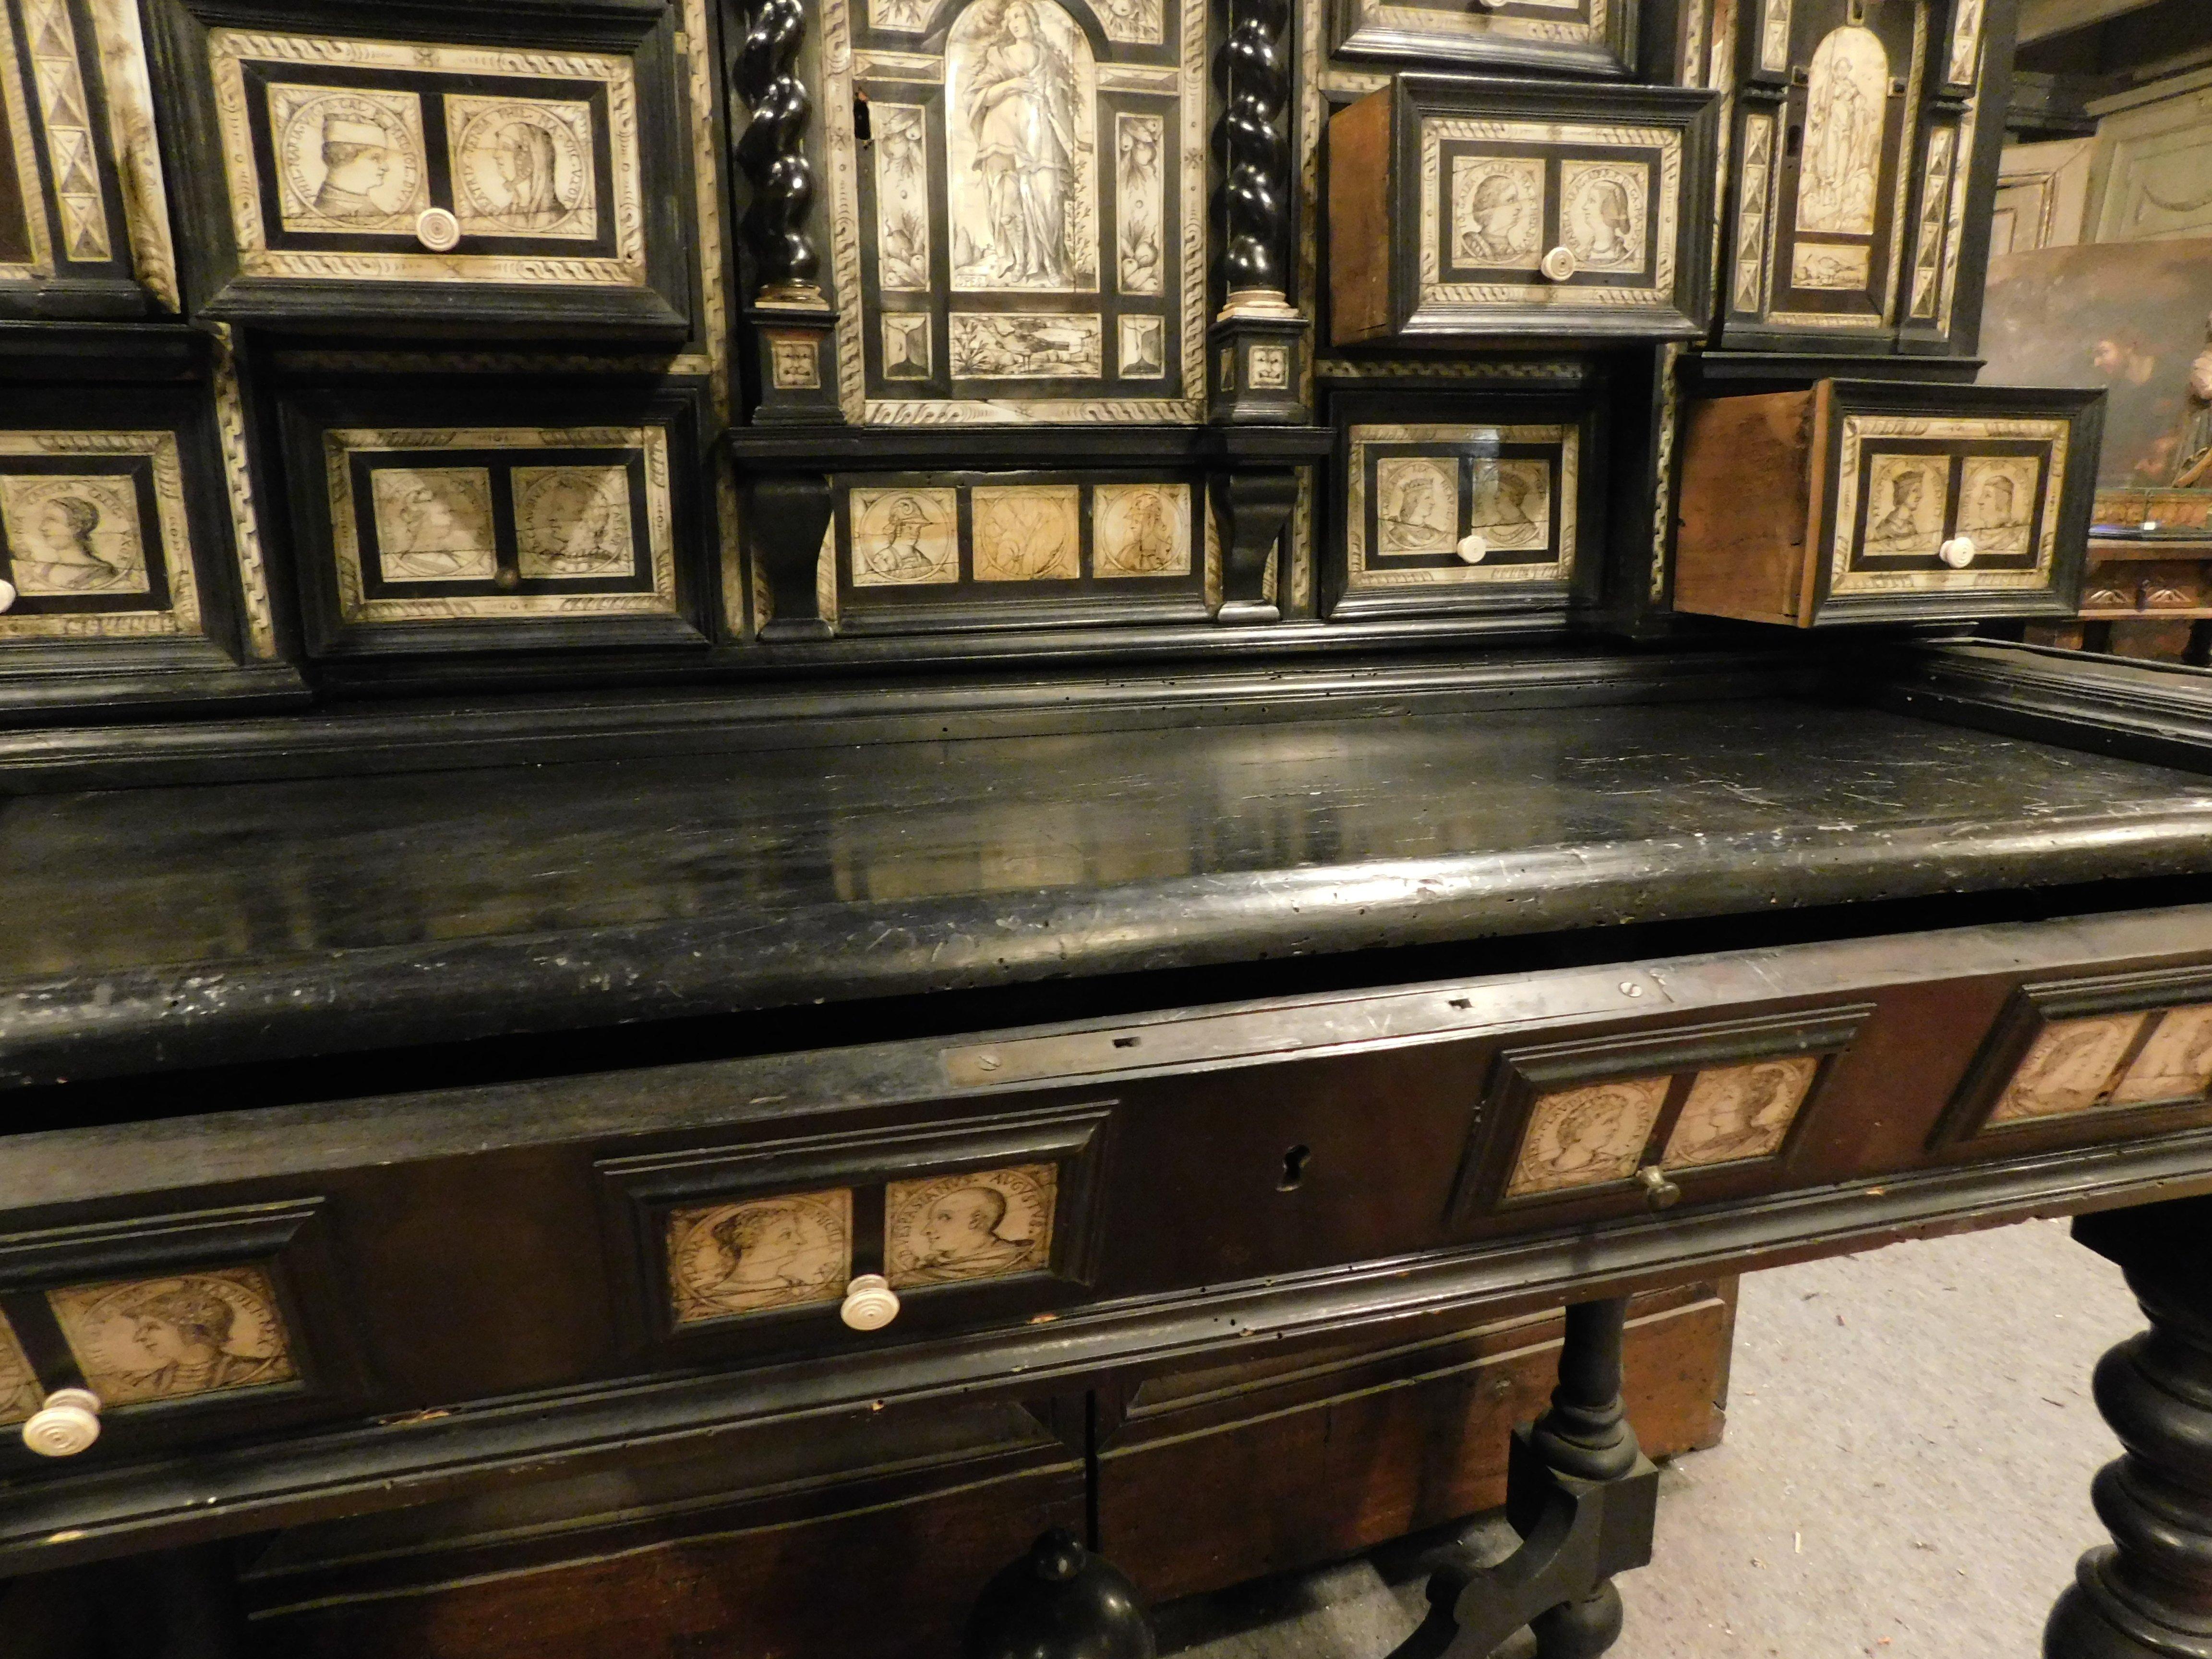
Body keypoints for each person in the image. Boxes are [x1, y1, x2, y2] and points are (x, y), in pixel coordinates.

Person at [962, 0, 1079, 285]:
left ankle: (1051, 264)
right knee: (1008, 204)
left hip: (1041, 137)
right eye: (1010, 18)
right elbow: (978, 96)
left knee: (1049, 201)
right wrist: (1010, 86)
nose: (1015, 22)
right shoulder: (999, 56)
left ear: (1032, 21)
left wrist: (1075, 141)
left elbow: (1059, 101)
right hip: (1003, 136)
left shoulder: (1047, 58)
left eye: (1020, 16)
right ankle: (1016, 261)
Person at [111, 1280, 286, 1397]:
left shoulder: (253, 1372)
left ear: (191, 1329)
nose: (139, 1338)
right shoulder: (149, 1385)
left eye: (151, 1327)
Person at [693, 1205, 833, 1311]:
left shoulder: (799, 1288)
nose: (800, 1241)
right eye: (786, 1235)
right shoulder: (711, 1295)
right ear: (749, 1241)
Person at [909, 1185, 1039, 1278]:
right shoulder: (925, 1271)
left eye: (944, 1218)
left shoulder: (1020, 1261)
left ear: (975, 1221)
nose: (926, 1230)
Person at [12, 494, 125, 591]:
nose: (43, 528)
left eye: (52, 520)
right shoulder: (44, 570)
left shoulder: (102, 575)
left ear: (76, 527)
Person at [385, 484, 490, 580]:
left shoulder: (454, 561)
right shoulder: (405, 568)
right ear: (423, 520)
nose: (450, 519)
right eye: (443, 513)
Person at [487, 120, 571, 229]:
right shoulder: (503, 216)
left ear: (530, 159)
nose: (496, 155)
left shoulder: (556, 218)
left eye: (506, 148)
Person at [313, 113, 395, 221]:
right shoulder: (313, 216)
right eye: (375, 158)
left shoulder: (383, 219)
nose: (385, 167)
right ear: (342, 156)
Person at [865, 494, 946, 581]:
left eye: (918, 529)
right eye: (910, 528)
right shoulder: (884, 559)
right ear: (898, 529)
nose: (915, 533)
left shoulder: (922, 559)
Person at [1457, 170, 1529, 266]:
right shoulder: (1470, 245)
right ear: (1490, 207)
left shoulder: (1517, 254)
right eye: (1511, 200)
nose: (1519, 207)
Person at [1380, 469, 1453, 551]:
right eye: (1428, 498)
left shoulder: (1436, 534)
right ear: (1414, 501)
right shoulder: (1396, 535)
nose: (1433, 502)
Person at [1577, 177, 1635, 267]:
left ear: (1608, 210)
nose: (1585, 207)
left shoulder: (1626, 260)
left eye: (1592, 201)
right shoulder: (1581, 256)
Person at [1870, 469, 1927, 546]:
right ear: (1903, 493)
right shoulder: (1887, 527)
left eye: (1920, 491)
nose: (1920, 496)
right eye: (1915, 490)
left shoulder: (1911, 525)